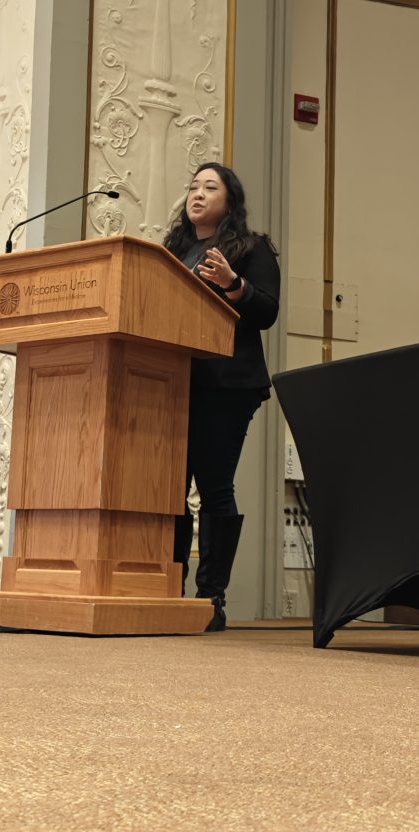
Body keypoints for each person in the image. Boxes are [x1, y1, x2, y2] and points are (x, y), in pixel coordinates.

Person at [164, 162, 280, 631]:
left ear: (229, 201)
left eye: (210, 187)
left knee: (213, 486)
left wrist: (233, 283)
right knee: (168, 490)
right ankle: (167, 592)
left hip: (227, 384)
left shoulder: (252, 248)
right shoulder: (173, 251)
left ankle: (211, 598)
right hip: (174, 382)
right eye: (193, 186)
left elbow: (267, 312)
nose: (198, 194)